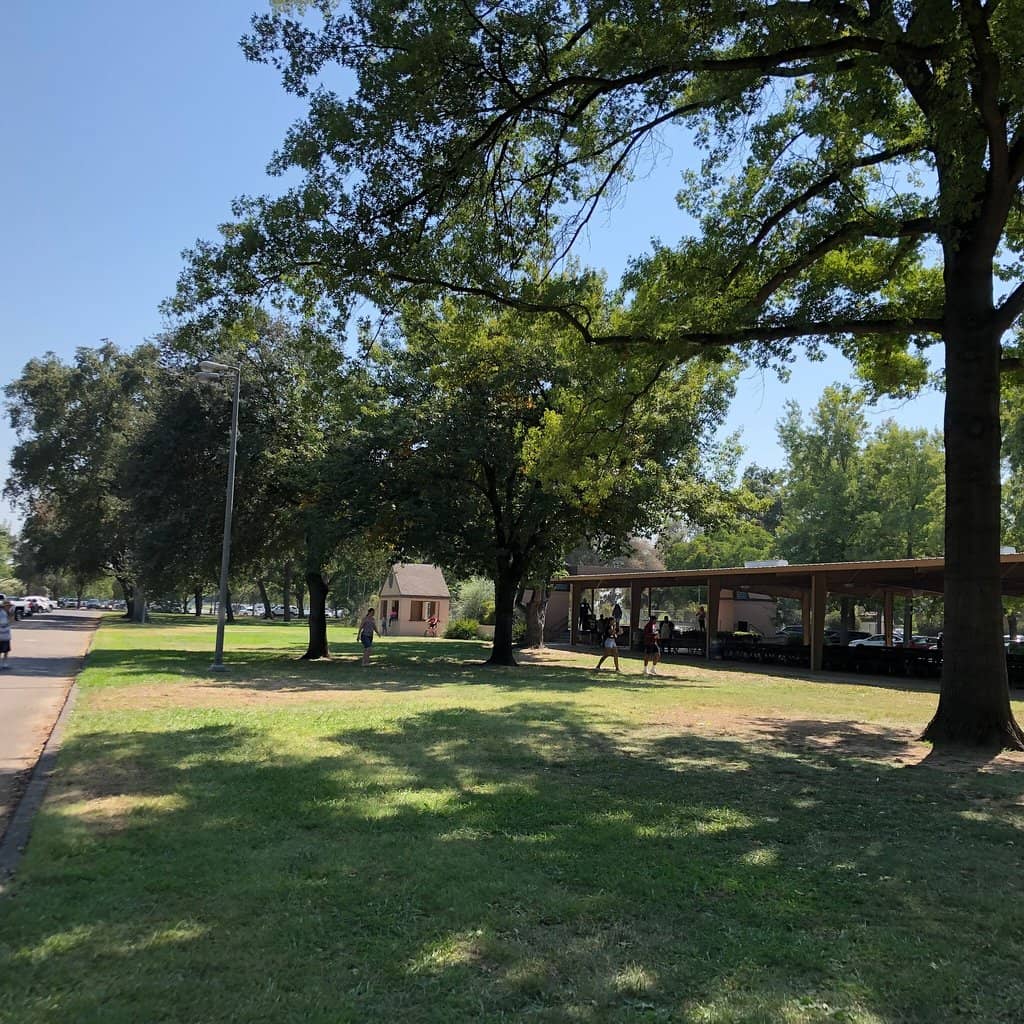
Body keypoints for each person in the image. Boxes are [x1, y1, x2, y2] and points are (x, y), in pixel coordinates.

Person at [0, 599, 11, 670]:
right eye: (8, 606)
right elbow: (3, 624)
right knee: (2, 650)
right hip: (2, 635)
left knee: (6, 650)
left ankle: (4, 664)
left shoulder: (6, 613)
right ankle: (3, 664)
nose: (9, 607)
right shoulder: (2, 613)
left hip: (6, 635)